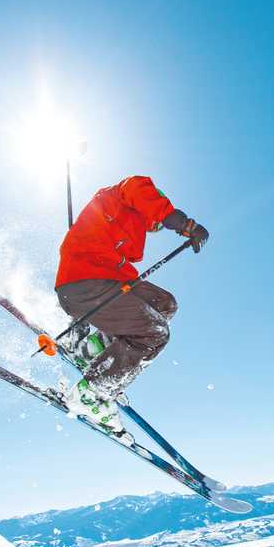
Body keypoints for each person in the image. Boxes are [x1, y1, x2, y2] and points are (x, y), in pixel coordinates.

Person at [55, 175, 209, 433]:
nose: (156, 228)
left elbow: (125, 275)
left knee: (164, 303)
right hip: (84, 285)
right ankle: (91, 394)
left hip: (101, 283)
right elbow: (136, 189)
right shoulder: (121, 196)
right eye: (155, 223)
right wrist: (183, 224)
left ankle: (94, 349)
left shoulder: (124, 233)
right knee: (154, 333)